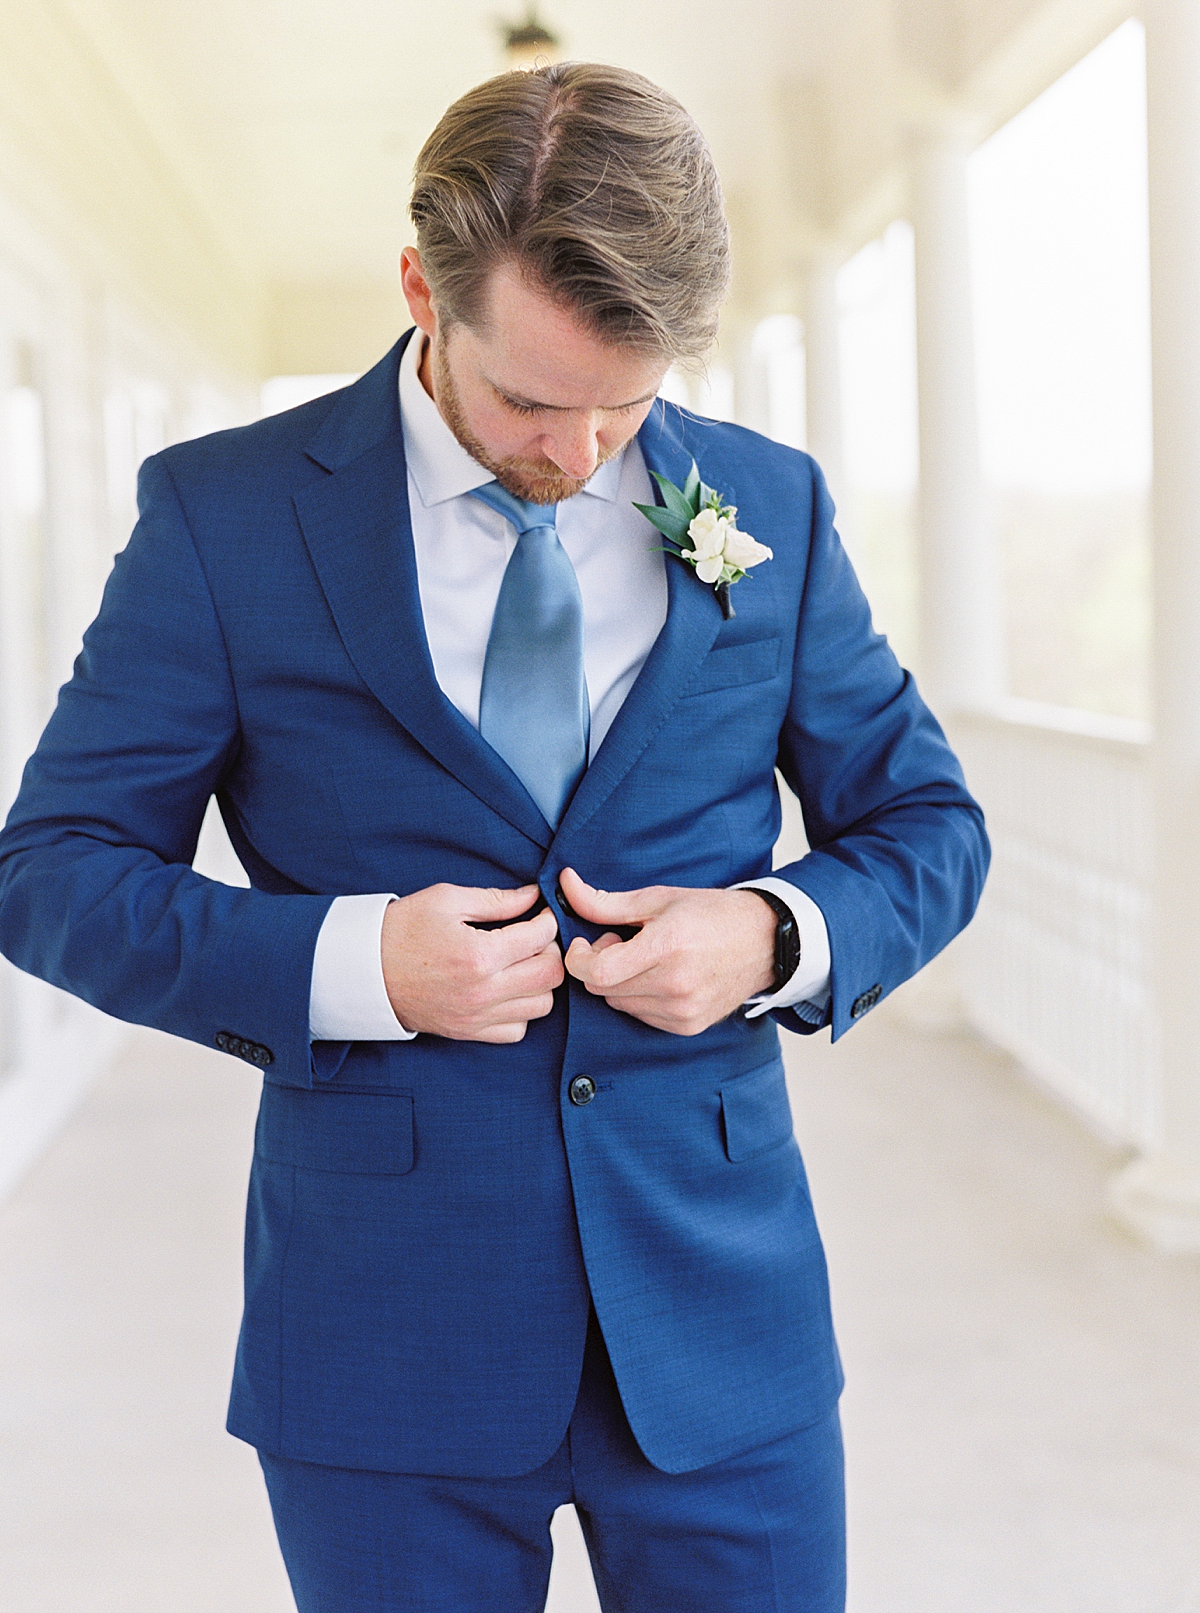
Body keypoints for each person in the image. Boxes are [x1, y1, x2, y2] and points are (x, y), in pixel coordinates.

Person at [0, 61, 988, 1613]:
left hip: (724, 1327)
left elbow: (928, 824)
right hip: (385, 1338)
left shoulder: (767, 503)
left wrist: (773, 936)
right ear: (420, 288)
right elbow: (50, 871)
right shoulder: (225, 518)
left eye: (632, 397)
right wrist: (355, 961)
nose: (585, 448)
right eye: (533, 397)